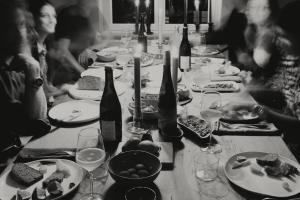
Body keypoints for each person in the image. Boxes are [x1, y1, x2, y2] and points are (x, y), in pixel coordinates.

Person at [249, 1, 300, 161]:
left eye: (285, 38)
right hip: (283, 137)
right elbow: (279, 92)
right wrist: (250, 94)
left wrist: (268, 113)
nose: (278, 42)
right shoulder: (290, 57)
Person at [0, 0, 50, 151]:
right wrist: (33, 69)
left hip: (21, 148)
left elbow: (41, 114)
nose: (19, 33)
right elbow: (35, 123)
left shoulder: (16, 62)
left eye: (21, 24)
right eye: (9, 27)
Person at [48, 0, 98, 86]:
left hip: (84, 67)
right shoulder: (67, 15)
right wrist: (82, 72)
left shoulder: (88, 12)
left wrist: (90, 50)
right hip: (69, 74)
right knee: (98, 88)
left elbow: (100, 38)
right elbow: (62, 50)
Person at [27, 0, 67, 104]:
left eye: (54, 16)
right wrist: (61, 90)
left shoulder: (45, 45)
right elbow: (32, 91)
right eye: (45, 15)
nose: (52, 20)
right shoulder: (29, 50)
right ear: (33, 19)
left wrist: (56, 88)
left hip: (48, 99)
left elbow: (47, 83)